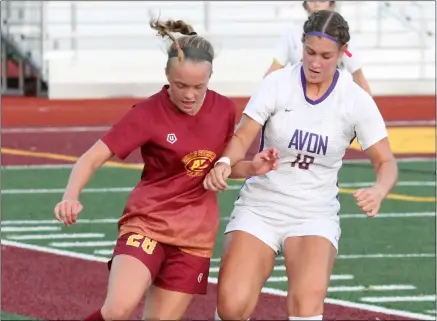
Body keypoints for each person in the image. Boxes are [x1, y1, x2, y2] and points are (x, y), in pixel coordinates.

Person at [53, 18, 277, 321]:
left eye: (199, 87)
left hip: (195, 238)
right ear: (167, 77)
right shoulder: (147, 114)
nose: (189, 95)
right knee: (117, 310)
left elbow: (223, 166)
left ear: (211, 77)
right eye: (180, 86)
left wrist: (253, 167)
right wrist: (71, 194)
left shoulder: (223, 109)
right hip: (148, 224)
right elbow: (91, 157)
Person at [204, 9, 398, 321]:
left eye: (325, 55)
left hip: (313, 213)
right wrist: (226, 161)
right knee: (231, 306)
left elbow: (386, 161)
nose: (315, 62)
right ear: (301, 45)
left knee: (306, 307)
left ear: (342, 53)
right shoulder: (277, 84)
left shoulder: (355, 99)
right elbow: (243, 136)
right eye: (309, 52)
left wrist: (380, 188)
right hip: (261, 206)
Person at [265, 0, 372, 95]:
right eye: (312, 0)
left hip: (333, 97)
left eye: (322, 1)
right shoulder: (292, 34)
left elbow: (358, 74)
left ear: (331, 4)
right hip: (299, 95)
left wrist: (371, 110)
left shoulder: (342, 39)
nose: (316, 4)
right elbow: (275, 67)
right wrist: (261, 95)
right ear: (305, 5)